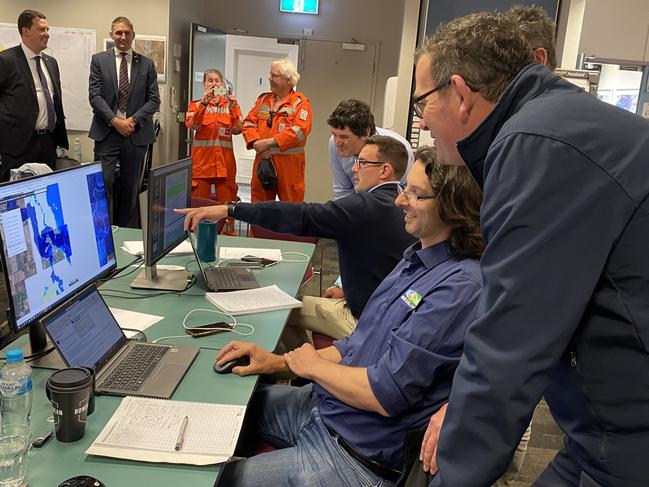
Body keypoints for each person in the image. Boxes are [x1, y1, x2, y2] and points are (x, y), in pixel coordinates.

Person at [412, 12, 649, 487]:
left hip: (626, 442)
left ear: (460, 93)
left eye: (422, 104)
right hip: (600, 431)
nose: (421, 121)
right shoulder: (555, 122)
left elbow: (508, 348)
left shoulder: (534, 145)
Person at [212, 149, 484, 487]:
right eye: (404, 189)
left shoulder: (459, 288)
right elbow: (355, 345)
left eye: (415, 194)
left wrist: (310, 366)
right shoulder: (416, 257)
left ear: (453, 207)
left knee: (218, 481)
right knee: (220, 406)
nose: (400, 201)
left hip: (354, 455)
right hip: (326, 409)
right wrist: (276, 362)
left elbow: (385, 393)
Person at [177, 136, 416, 348]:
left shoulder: (365, 207)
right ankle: (301, 368)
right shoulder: (397, 200)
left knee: (276, 310)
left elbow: (302, 215)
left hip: (365, 324)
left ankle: (297, 368)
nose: (354, 169)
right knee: (288, 308)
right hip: (381, 313)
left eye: (362, 163)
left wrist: (231, 209)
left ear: (385, 170)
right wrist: (349, 287)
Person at [89, 16, 160, 227]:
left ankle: (127, 235)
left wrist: (132, 121)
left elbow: (154, 99)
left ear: (133, 36)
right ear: (111, 35)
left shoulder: (146, 64)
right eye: (118, 32)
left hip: (135, 134)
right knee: (103, 184)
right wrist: (115, 121)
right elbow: (95, 96)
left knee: (131, 189)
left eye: (127, 33)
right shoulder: (99, 60)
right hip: (107, 132)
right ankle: (104, 233)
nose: (122, 37)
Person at [0, 9, 68, 181]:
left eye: (47, 30)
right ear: (25, 31)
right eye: (41, 29)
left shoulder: (51, 62)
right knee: (16, 200)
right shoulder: (6, 60)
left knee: (46, 194)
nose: (47, 34)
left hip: (47, 144)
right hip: (17, 146)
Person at [242, 58, 312, 202]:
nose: (269, 78)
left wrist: (269, 143)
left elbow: (299, 131)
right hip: (263, 159)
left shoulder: (300, 103)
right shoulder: (263, 100)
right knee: (259, 207)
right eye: (270, 75)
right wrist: (257, 143)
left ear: (288, 80)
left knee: (291, 209)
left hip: (289, 166)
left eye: (275, 76)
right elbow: (249, 123)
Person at [328, 99, 413, 199]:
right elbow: (343, 191)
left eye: (344, 137)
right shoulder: (334, 143)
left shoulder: (398, 149)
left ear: (365, 133)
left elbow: (402, 194)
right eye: (334, 135)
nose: (338, 143)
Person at [185, 69, 242, 202]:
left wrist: (233, 108)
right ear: (204, 84)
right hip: (202, 164)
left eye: (217, 81)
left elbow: (238, 129)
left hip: (225, 164)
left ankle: (226, 224)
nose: (214, 84)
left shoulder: (230, 105)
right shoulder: (196, 105)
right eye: (210, 81)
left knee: (227, 208)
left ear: (222, 85)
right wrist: (203, 104)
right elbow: (192, 125)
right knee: (199, 206)